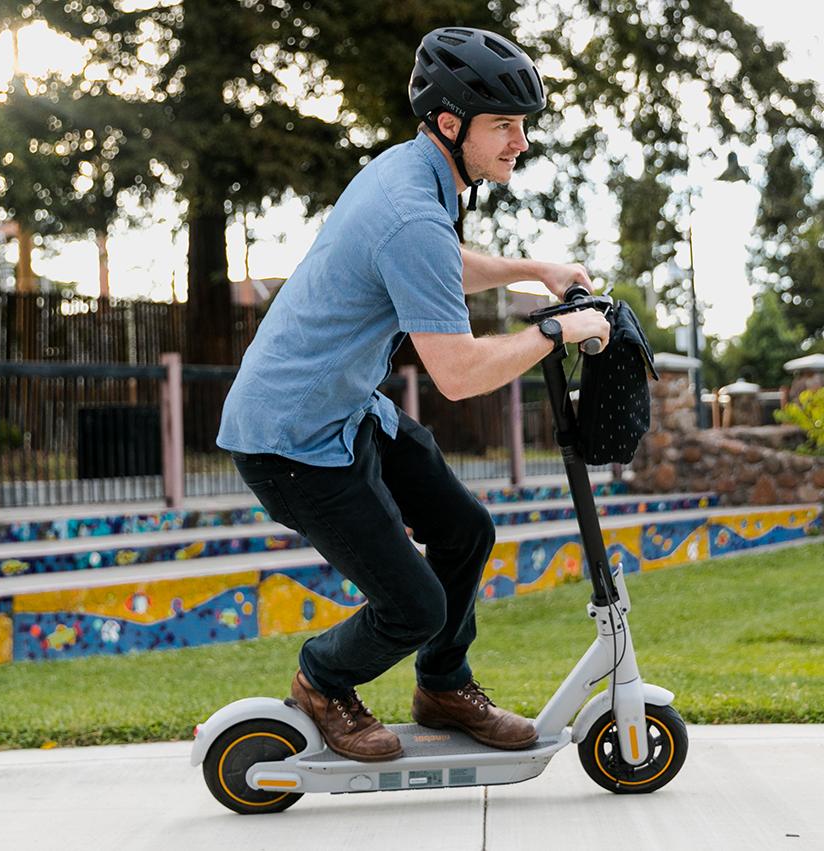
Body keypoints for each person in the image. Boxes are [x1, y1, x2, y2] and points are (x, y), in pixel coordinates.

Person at [216, 26, 611, 762]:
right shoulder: (410, 210)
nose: (521, 142)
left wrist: (536, 270)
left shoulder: (413, 172)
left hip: (347, 410)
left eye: (522, 124)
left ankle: (443, 687)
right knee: (414, 607)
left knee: (465, 531)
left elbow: (440, 262)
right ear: (451, 123)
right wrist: (555, 332)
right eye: (504, 125)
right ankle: (322, 681)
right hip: (291, 441)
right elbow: (458, 375)